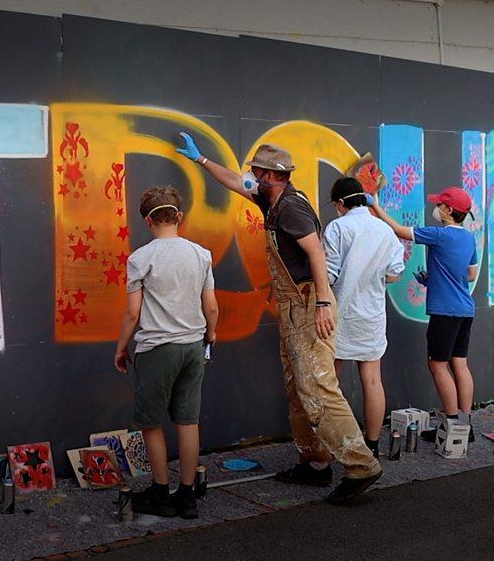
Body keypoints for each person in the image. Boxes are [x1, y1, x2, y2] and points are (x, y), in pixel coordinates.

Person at [176, 133, 382, 503]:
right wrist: (201, 161)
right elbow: (236, 183)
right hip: (292, 306)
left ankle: (360, 464)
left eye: (256, 170)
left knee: (318, 386)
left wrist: (322, 303)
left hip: (307, 303)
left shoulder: (291, 208)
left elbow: (316, 253)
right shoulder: (272, 198)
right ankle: (316, 463)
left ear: (271, 175)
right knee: (297, 387)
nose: (250, 174)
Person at [114, 185, 218, 519]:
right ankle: (186, 496)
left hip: (157, 348)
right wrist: (210, 336)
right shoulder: (201, 254)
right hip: (193, 346)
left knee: (151, 422)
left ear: (148, 220)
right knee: (188, 421)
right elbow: (211, 306)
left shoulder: (140, 259)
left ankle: (160, 491)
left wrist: (120, 348)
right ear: (179, 216)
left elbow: (133, 313)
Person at [369, 186, 478, 441]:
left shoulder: (439, 235)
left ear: (449, 210)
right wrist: (436, 279)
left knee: (437, 364)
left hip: (445, 312)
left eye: (440, 205)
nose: (436, 209)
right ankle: (465, 423)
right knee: (460, 364)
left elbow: (399, 230)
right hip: (465, 309)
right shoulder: (469, 238)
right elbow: (470, 274)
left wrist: (375, 205)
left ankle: (451, 429)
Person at [323, 177, 405, 456]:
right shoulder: (384, 230)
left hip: (338, 314)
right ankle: (371, 445)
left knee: (329, 382)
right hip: (371, 314)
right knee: (372, 381)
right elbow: (394, 274)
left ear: (341, 203)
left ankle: (334, 444)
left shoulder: (337, 227)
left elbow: (329, 274)